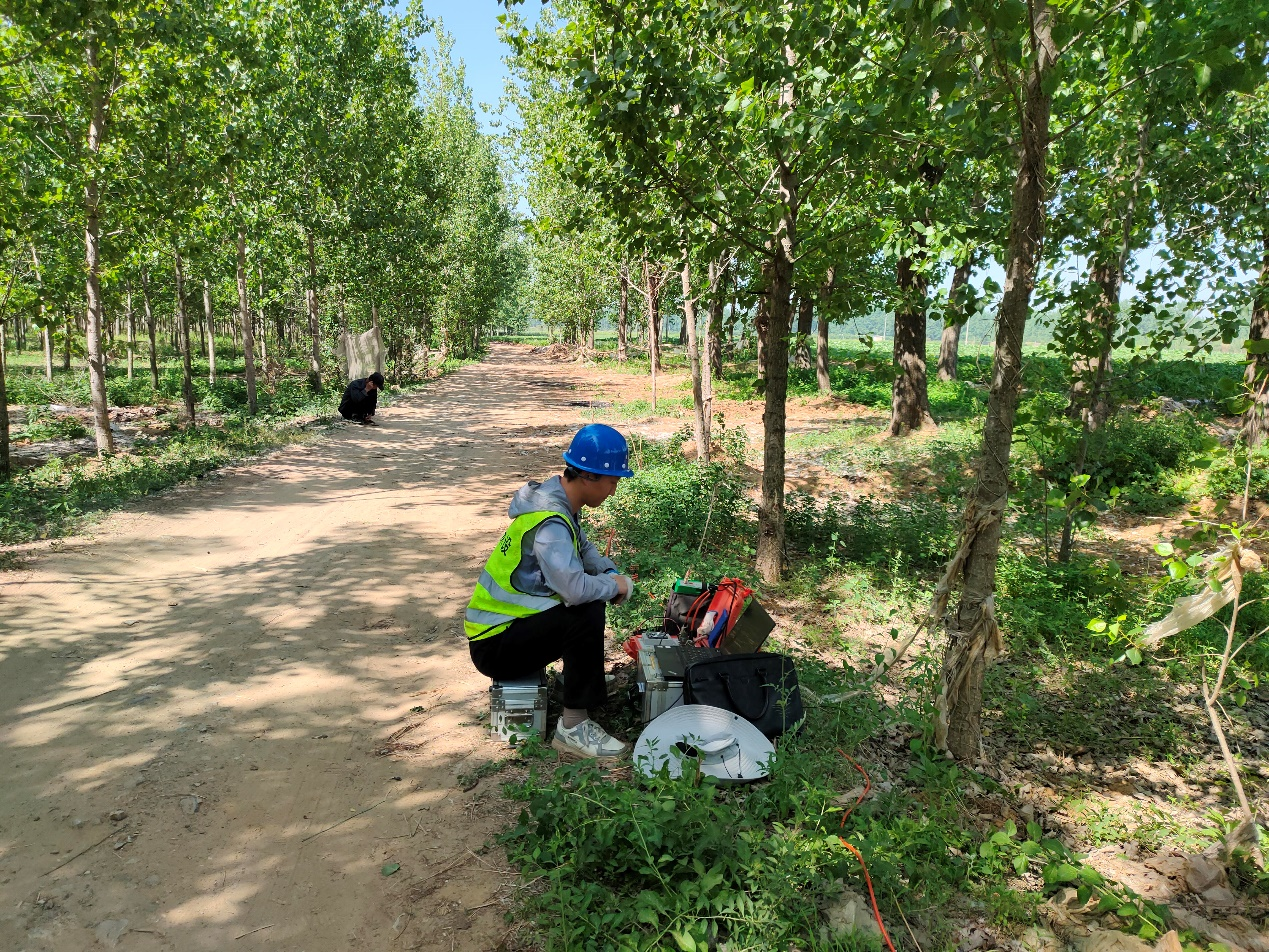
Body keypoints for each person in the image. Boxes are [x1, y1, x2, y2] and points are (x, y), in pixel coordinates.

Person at [466, 423, 637, 760]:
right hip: (495, 646)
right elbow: (574, 590)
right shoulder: (550, 521)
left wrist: (606, 570)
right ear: (588, 477)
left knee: (588, 602)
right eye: (612, 482)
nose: (613, 491)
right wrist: (613, 586)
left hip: (503, 633)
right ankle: (573, 726)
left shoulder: (558, 501)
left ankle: (577, 695)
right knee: (585, 611)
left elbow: (583, 547)